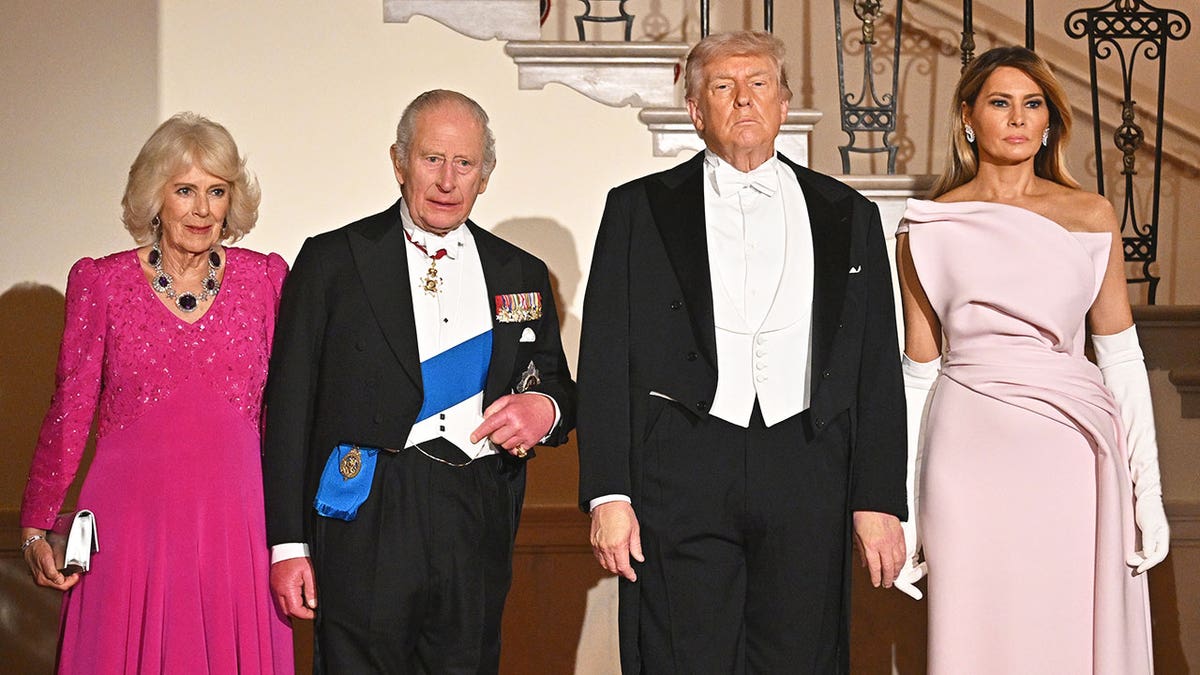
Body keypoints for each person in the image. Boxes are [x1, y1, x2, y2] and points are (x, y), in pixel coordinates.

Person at [578, 30, 908, 673]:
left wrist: (878, 496)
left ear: (784, 103)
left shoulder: (849, 212)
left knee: (803, 655)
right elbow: (605, 358)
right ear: (695, 112)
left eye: (759, 84)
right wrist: (608, 494)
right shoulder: (637, 209)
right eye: (723, 87)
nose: (744, 99)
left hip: (808, 460)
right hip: (681, 461)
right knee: (681, 654)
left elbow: (875, 366)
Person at [262, 89, 576, 673]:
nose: (447, 181)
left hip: (477, 507)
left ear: (485, 175)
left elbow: (555, 383)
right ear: (399, 161)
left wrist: (545, 409)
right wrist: (287, 543)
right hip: (369, 507)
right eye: (432, 159)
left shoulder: (520, 271)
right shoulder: (333, 260)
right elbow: (288, 410)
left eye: (465, 163)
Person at [895, 46, 1170, 674]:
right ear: (968, 117)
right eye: (1000, 102)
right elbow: (919, 375)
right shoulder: (925, 226)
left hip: (1070, 451)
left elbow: (1121, 358)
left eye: (1033, 104)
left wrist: (1147, 491)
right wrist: (906, 510)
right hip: (965, 455)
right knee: (976, 633)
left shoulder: (1091, 214)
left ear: (1050, 121)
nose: (1018, 118)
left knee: (1065, 629)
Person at [18, 112, 294, 673]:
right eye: (185, 190)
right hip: (129, 524)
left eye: (217, 191)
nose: (202, 209)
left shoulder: (265, 280)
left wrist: (295, 532)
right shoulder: (101, 282)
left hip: (237, 523)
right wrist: (36, 523)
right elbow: (71, 409)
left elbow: (282, 414)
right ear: (155, 198)